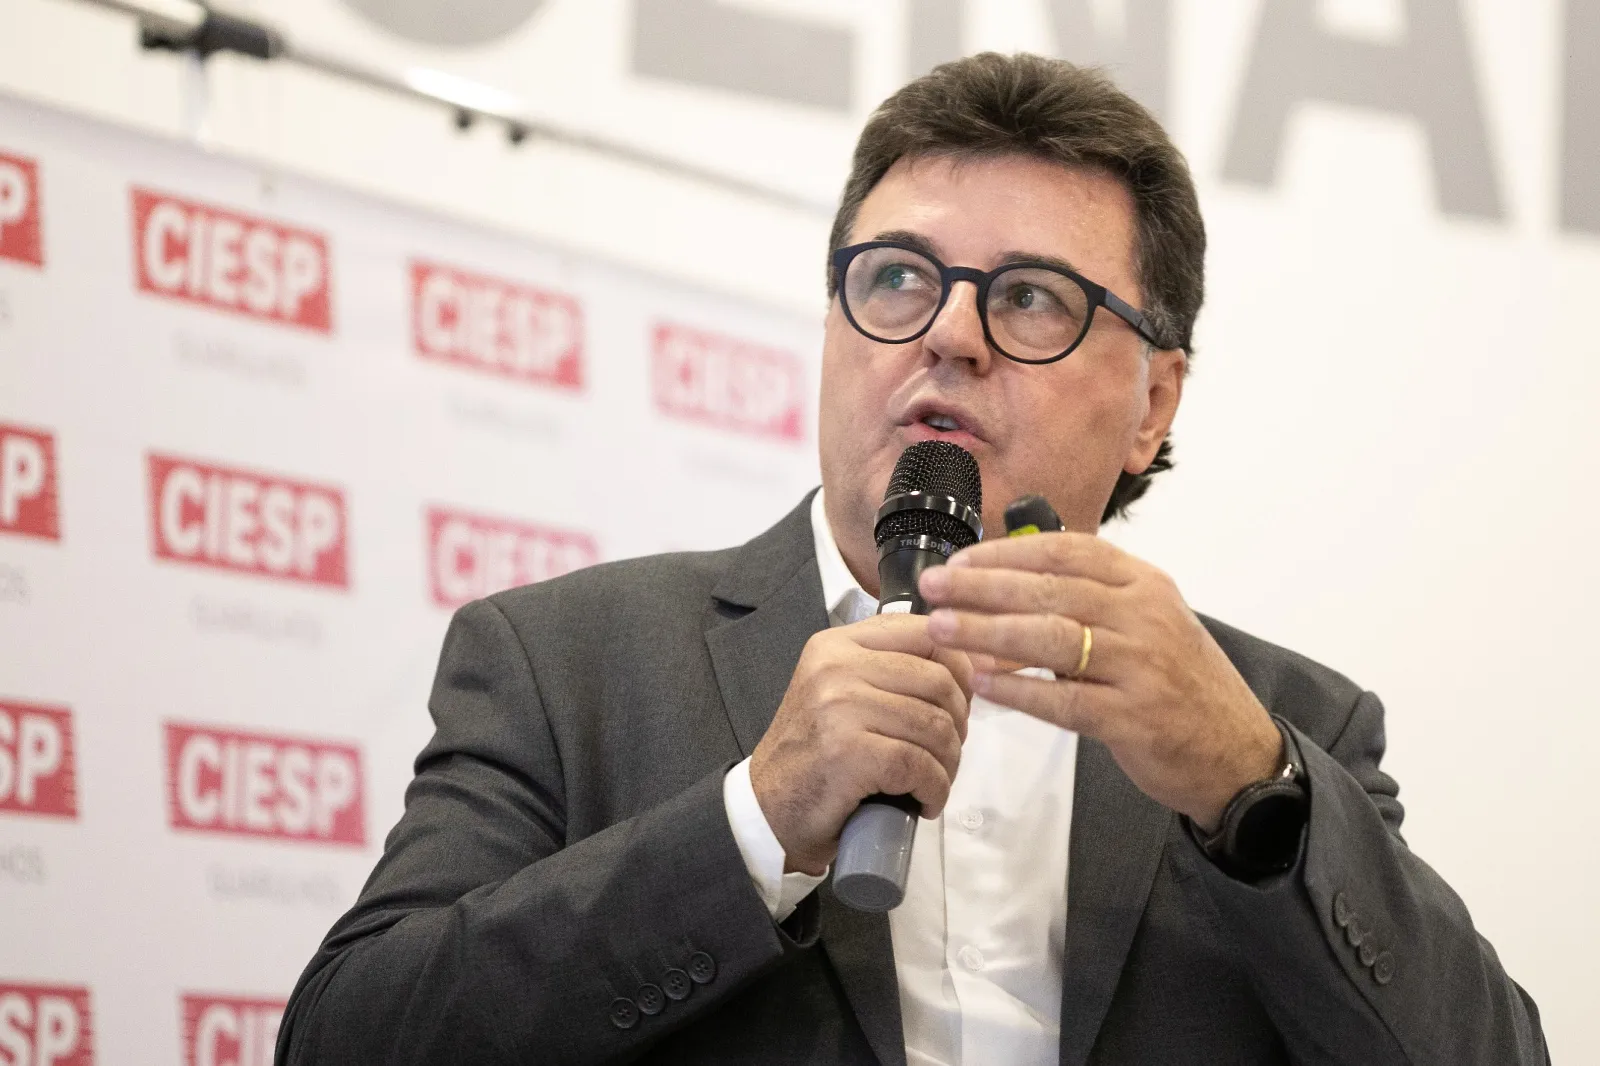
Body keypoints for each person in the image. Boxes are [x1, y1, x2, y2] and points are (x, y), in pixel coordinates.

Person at [276, 53, 1547, 1065]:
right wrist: (754, 820)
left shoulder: (1285, 727)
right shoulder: (568, 664)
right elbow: (347, 1038)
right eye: (896, 279)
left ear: (1152, 404)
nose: (948, 333)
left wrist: (1249, 789)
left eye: (1032, 297)